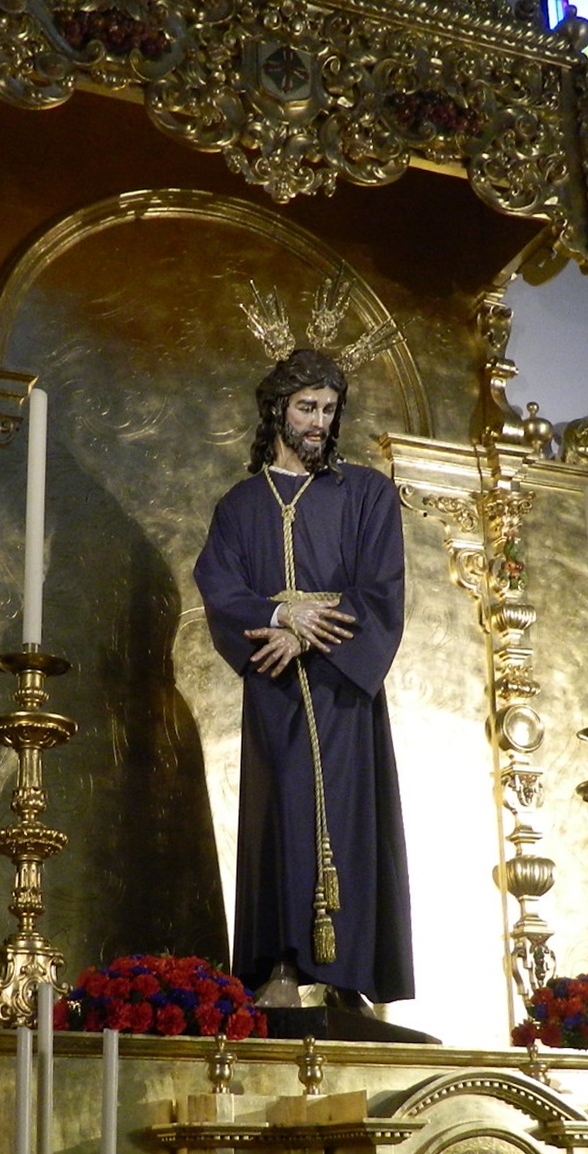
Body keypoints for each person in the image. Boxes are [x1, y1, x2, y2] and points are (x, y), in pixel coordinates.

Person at [192, 341, 414, 1010]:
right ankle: (281, 968)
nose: (319, 422)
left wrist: (305, 631)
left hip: (344, 688)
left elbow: (381, 588)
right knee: (280, 818)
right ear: (277, 411)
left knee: (350, 817)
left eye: (328, 409)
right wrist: (278, 616)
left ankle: (349, 979)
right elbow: (220, 586)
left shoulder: (366, 493)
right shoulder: (240, 507)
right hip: (277, 690)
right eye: (306, 407)